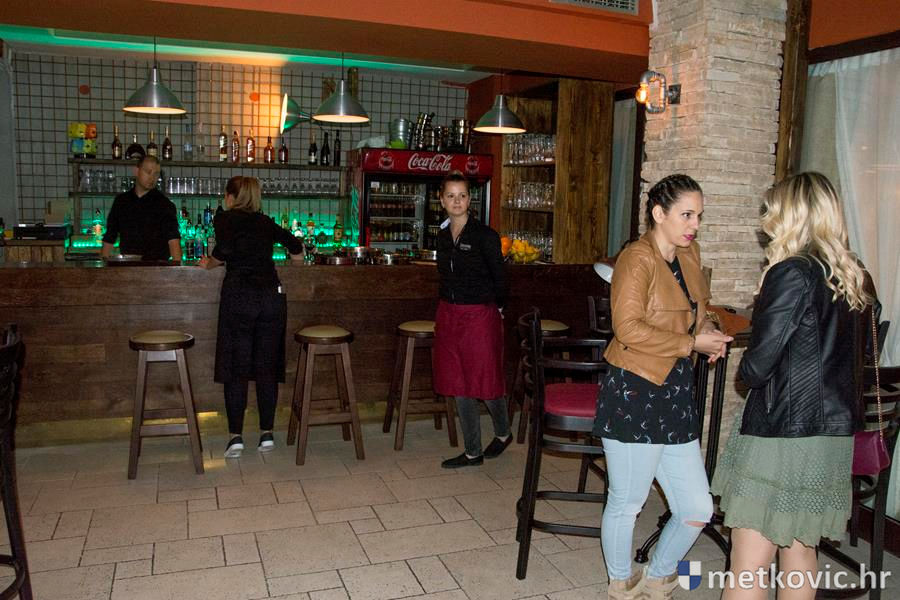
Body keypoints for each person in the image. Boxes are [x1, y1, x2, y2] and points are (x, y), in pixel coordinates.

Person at [711, 172, 876, 600]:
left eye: (772, 211)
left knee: (748, 563)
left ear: (790, 215)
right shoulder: (854, 275)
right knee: (800, 552)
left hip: (784, 434)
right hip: (832, 438)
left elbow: (755, 369)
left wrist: (762, 299)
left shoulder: (791, 272)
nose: (766, 221)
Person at [594, 174, 732, 600]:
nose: (695, 225)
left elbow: (701, 310)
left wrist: (709, 330)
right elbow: (628, 328)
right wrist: (691, 344)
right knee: (628, 501)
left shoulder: (689, 255)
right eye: (686, 215)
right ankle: (621, 583)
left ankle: (658, 575)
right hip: (634, 389)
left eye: (699, 216)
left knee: (697, 507)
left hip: (674, 390)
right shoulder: (636, 259)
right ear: (659, 213)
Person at [198, 176, 304, 458]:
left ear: (231, 197)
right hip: (271, 298)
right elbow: (296, 247)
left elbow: (223, 251)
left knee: (237, 367)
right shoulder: (265, 222)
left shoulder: (225, 219)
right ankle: (267, 434)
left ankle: (236, 438)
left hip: (240, 297)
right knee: (266, 366)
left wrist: (209, 264)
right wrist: (297, 266)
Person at [433, 170, 511, 468]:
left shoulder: (485, 235)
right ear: (441, 200)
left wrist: (498, 307)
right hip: (449, 313)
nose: (457, 201)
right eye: (450, 196)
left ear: (470, 200)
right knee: (458, 382)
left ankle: (503, 432)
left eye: (462, 195)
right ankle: (472, 451)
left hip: (479, 314)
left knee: (484, 381)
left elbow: (500, 278)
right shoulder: (442, 235)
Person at [101, 155, 181, 261]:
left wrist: (178, 268)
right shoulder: (121, 202)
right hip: (128, 265)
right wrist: (103, 265)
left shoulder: (164, 205)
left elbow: (173, 241)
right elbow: (110, 237)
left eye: (156, 174)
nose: (152, 178)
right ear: (136, 171)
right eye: (148, 172)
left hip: (157, 267)